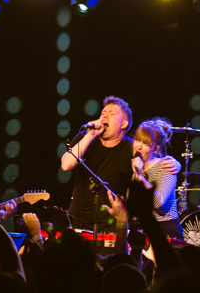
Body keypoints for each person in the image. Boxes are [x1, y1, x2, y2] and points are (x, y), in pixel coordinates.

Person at [60, 96, 179, 236]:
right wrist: (90, 134)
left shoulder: (130, 148)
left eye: (112, 114)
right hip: (77, 218)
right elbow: (66, 165)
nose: (104, 116)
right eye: (103, 113)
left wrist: (176, 164)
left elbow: (150, 160)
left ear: (123, 124)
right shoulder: (85, 138)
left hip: (110, 224)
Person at [131, 117, 182, 240]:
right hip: (141, 227)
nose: (138, 146)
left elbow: (156, 203)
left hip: (164, 229)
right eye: (137, 140)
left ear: (156, 148)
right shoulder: (136, 166)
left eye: (145, 143)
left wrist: (139, 177)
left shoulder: (165, 166)